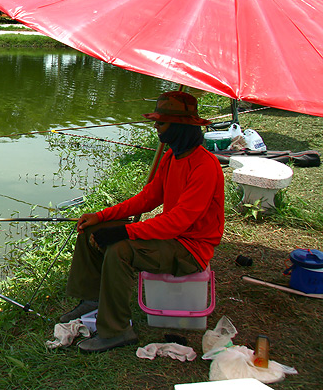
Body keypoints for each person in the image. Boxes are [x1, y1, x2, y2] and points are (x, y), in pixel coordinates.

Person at [59, 90, 225, 353]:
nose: (156, 128)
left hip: (190, 248)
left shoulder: (205, 166)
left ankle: (116, 331)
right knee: (89, 230)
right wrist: (102, 216)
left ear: (180, 126)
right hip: (171, 236)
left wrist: (124, 231)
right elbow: (148, 198)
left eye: (161, 123)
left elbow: (178, 222)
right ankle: (92, 299)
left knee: (120, 249)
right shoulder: (172, 157)